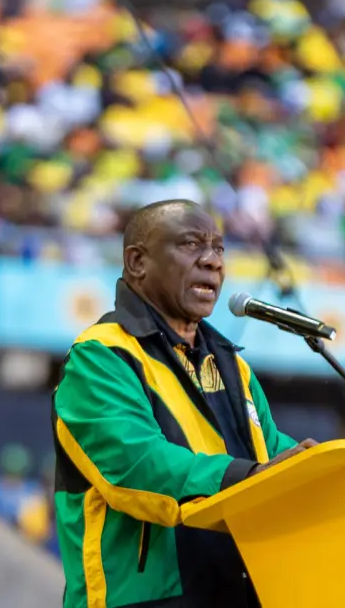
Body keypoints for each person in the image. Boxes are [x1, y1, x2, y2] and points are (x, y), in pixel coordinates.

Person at [52, 199, 317, 608]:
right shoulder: (100, 356)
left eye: (219, 248)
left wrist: (321, 469)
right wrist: (247, 477)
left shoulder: (232, 366)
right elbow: (137, 466)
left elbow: (270, 453)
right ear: (137, 262)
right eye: (191, 244)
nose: (212, 261)